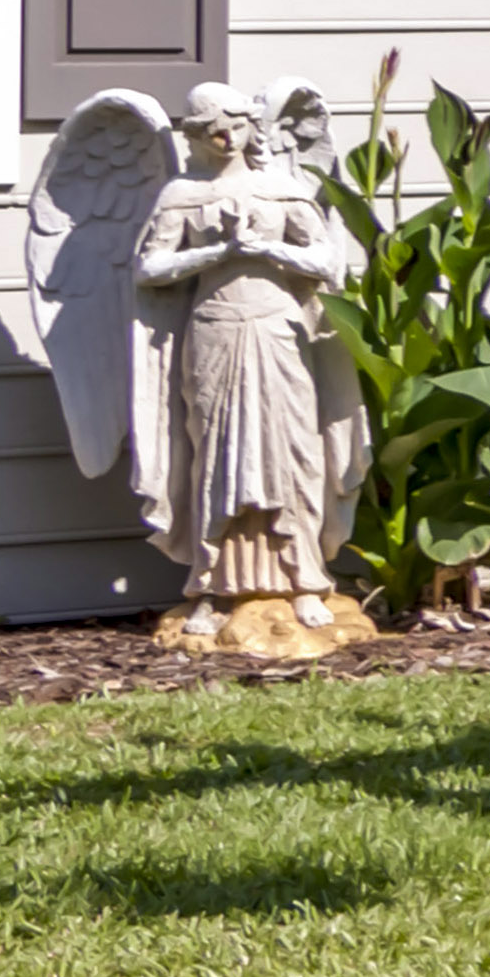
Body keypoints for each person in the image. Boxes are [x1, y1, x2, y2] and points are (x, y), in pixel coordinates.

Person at [140, 81, 372, 656]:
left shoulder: (281, 189)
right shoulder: (182, 194)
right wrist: (218, 253)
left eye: (236, 126)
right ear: (195, 136)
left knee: (290, 449)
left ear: (251, 127)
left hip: (278, 328)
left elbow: (324, 261)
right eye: (213, 129)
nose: (226, 137)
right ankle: (212, 588)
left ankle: (305, 580)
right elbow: (149, 268)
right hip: (215, 329)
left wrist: (268, 252)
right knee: (216, 450)